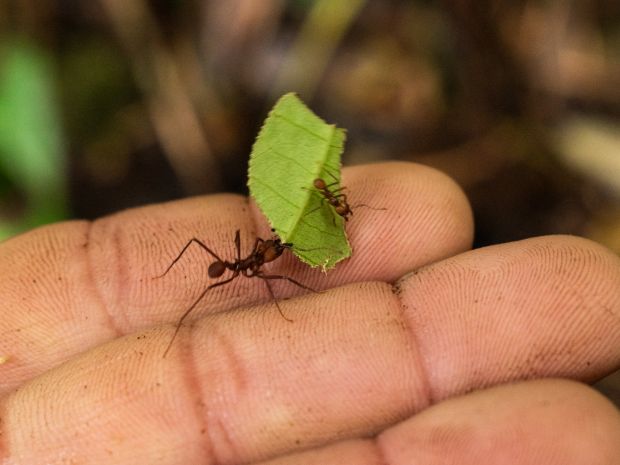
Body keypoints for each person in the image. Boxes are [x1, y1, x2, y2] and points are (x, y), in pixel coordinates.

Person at [0, 162, 618, 464]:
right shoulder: (247, 267)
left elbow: (277, 249)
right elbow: (263, 270)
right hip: (220, 284)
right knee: (260, 287)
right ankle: (193, 303)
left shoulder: (271, 250)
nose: (271, 254)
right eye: (270, 251)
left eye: (273, 250)